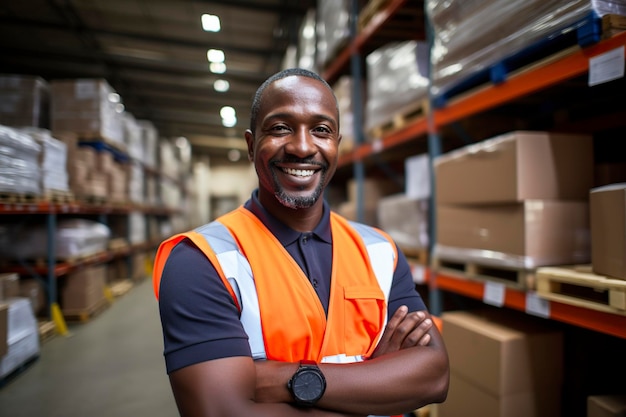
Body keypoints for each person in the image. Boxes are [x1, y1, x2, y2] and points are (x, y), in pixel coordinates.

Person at [152, 67, 449, 417]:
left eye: (321, 130)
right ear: (251, 146)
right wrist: (375, 385)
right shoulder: (200, 261)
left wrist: (288, 379)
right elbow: (220, 411)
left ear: (336, 146)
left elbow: (434, 377)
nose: (303, 146)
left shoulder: (379, 251)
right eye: (280, 128)